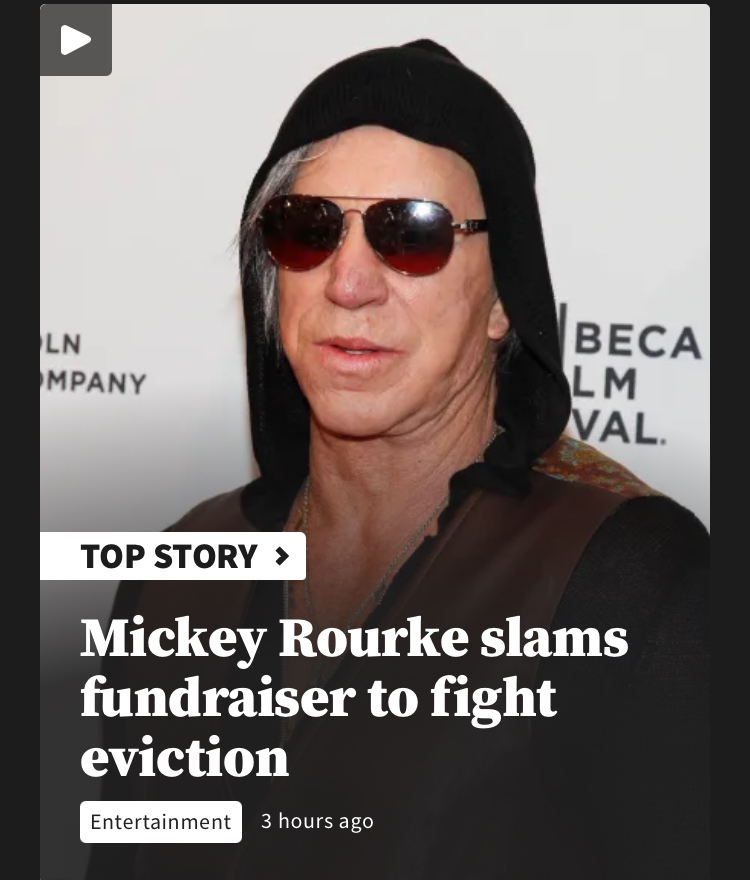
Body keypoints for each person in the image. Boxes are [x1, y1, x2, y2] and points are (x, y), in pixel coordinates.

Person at [86, 39, 709, 880]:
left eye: (411, 233)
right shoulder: (177, 576)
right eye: (308, 229)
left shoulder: (629, 580)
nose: (349, 283)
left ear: (503, 300)